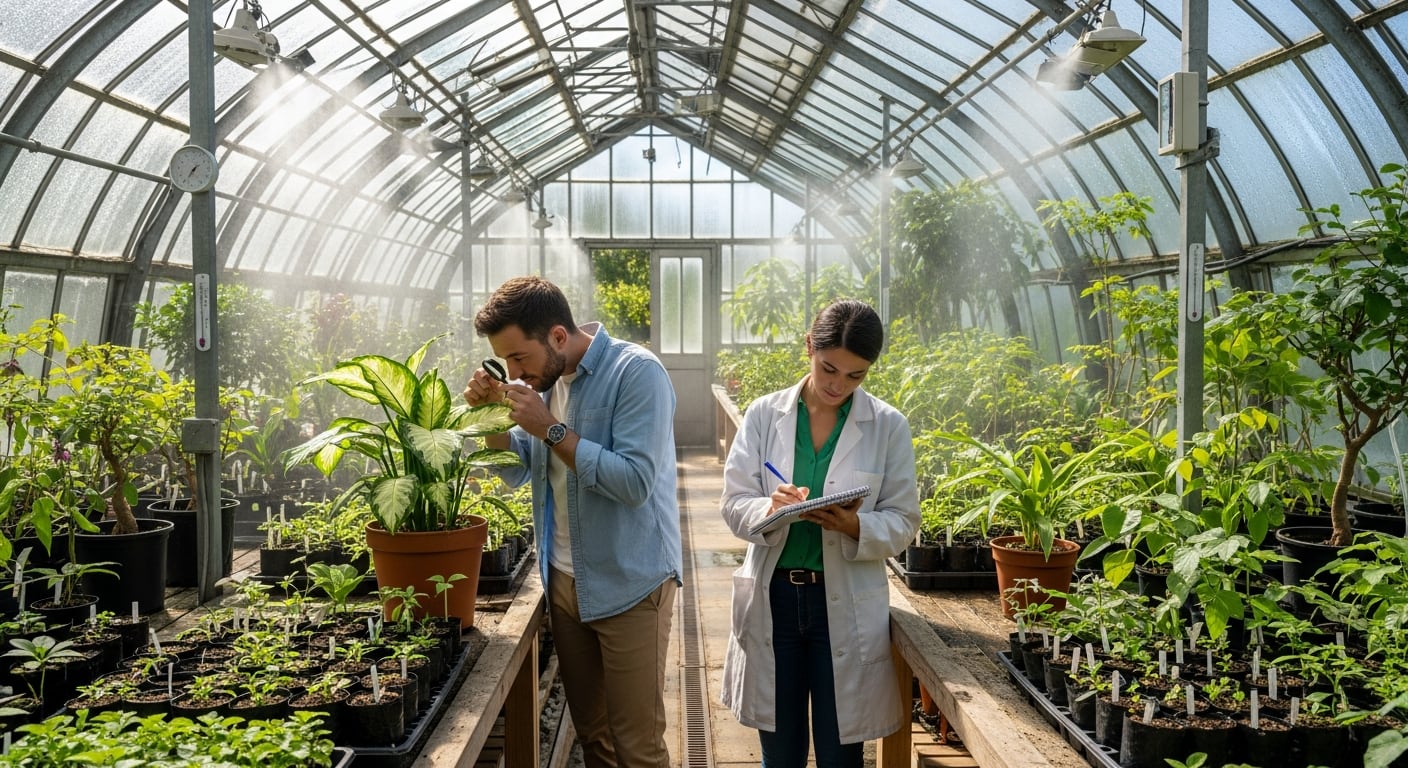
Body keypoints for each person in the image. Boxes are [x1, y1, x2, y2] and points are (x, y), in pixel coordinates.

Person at [462, 276, 682, 768]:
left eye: (519, 358)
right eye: (505, 360)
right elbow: (516, 472)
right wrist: (493, 418)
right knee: (593, 735)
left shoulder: (636, 373)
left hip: (631, 583)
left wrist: (550, 427)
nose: (515, 371)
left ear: (558, 337)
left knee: (638, 746)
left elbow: (635, 483)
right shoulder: (539, 383)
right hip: (563, 580)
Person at [719, 299, 920, 768]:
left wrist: (855, 524)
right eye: (828, 368)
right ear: (809, 347)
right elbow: (733, 503)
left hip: (842, 604)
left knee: (840, 753)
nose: (837, 385)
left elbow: (904, 520)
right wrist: (771, 507)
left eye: (856, 376)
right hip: (777, 602)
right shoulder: (765, 415)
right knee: (781, 751)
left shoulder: (888, 426)